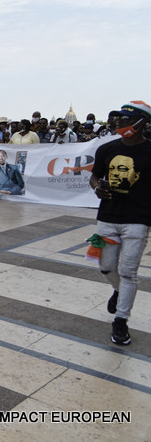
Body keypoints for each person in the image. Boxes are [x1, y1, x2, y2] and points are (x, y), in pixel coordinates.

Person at [90, 101, 151, 345]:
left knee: (128, 272)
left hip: (138, 220)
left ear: (142, 123)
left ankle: (121, 320)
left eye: (125, 121)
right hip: (108, 217)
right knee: (105, 267)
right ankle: (117, 290)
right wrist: (97, 188)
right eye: (119, 120)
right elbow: (95, 176)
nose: (119, 124)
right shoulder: (107, 149)